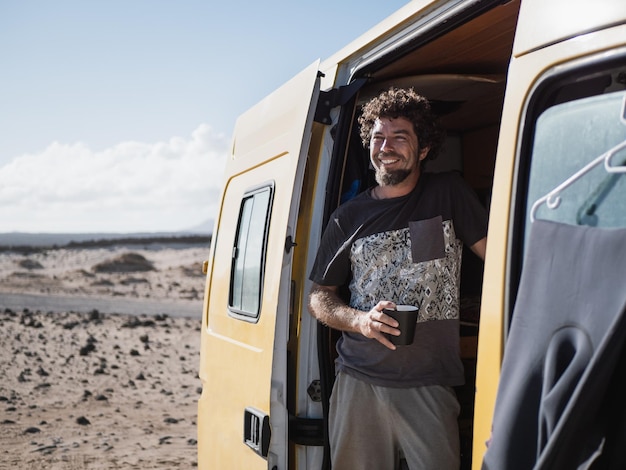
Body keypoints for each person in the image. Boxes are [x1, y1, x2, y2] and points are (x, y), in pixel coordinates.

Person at [308, 87, 488, 469]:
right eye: (378, 137)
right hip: (359, 381)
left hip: (430, 383)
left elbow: (501, 255)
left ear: (423, 149)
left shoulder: (447, 193)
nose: (385, 146)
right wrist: (360, 321)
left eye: (399, 137)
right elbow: (320, 297)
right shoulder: (347, 217)